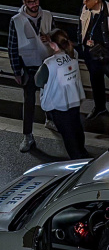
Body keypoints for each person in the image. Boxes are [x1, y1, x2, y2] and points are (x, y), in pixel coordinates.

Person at [8, 0, 54, 152]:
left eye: (35, 1)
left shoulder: (47, 15)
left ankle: (50, 119)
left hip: (47, 63)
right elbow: (12, 47)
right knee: (28, 102)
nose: (34, 4)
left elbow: (56, 36)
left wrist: (49, 38)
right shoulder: (16, 20)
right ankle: (28, 136)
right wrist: (16, 70)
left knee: (50, 94)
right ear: (24, 3)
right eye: (30, 2)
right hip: (28, 66)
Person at [34, 29, 88, 159]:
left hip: (59, 105)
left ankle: (77, 162)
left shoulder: (49, 64)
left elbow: (38, 82)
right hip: (74, 100)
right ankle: (83, 154)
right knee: (77, 129)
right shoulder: (73, 53)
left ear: (53, 44)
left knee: (68, 136)